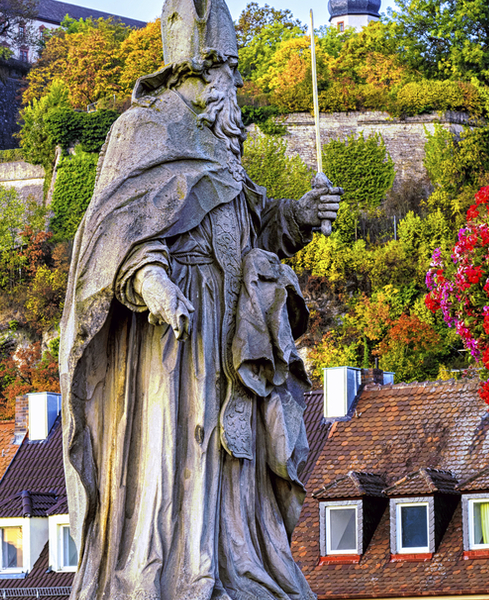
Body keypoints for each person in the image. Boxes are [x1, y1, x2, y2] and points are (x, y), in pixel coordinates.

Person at [59, 0, 342, 597]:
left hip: (228, 319)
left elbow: (249, 225)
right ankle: (175, 569)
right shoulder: (143, 129)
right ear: (198, 71)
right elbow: (114, 231)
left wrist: (299, 215)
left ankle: (228, 558)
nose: (235, 87)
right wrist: (151, 279)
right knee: (175, 443)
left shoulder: (222, 143)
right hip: (168, 331)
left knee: (226, 454)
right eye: (228, 73)